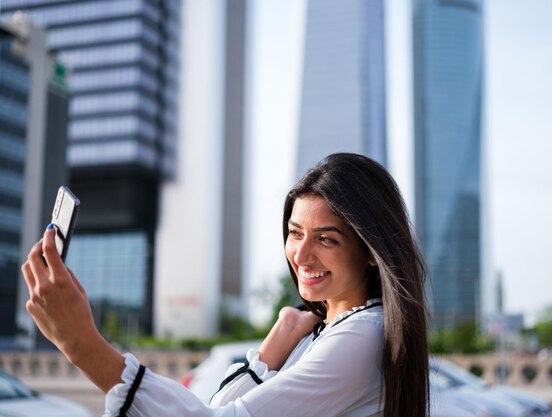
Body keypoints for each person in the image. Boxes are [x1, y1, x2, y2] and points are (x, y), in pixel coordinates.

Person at [21, 153, 430, 417]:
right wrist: (277, 342)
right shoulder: (326, 330)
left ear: (372, 250)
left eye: (327, 239)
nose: (301, 255)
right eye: (294, 233)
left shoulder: (363, 336)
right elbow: (217, 406)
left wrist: (82, 345)